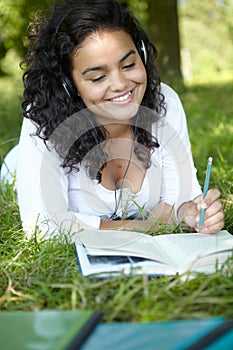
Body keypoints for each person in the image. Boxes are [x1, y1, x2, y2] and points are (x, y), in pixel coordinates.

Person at [16, 0, 224, 239]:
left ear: (142, 56)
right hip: (19, 161)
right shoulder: (41, 120)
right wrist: (146, 226)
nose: (121, 84)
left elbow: (180, 199)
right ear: (68, 86)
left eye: (128, 64)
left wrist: (190, 212)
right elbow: (42, 225)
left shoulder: (165, 101)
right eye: (98, 77)